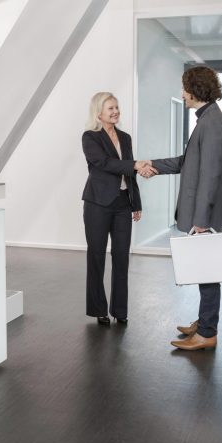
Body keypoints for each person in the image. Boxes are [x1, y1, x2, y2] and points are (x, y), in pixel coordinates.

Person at [145, 66, 222, 350]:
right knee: (204, 270)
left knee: (207, 271)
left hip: (205, 215)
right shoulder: (208, 120)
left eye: (184, 88)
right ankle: (204, 322)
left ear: (195, 90)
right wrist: (153, 165)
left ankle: (207, 333)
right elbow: (188, 162)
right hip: (202, 213)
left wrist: (202, 220)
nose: (182, 94)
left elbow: (210, 175)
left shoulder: (211, 123)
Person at [82, 92, 152, 325]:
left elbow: (130, 174)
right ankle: (99, 309)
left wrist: (136, 202)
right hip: (98, 204)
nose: (115, 111)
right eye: (110, 108)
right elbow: (104, 163)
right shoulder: (90, 137)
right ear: (99, 113)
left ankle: (120, 310)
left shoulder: (125, 137)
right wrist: (134, 164)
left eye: (117, 107)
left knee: (122, 257)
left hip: (123, 203)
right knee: (97, 257)